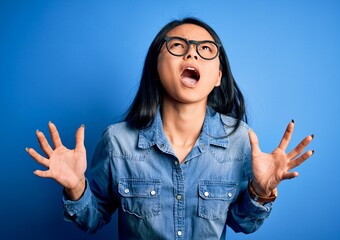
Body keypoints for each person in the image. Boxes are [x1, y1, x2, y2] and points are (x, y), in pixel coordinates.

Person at [26, 17, 314, 239]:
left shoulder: (239, 140)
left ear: (217, 77)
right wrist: (77, 188)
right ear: (155, 66)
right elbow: (93, 218)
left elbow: (242, 224)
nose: (192, 55)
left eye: (205, 49)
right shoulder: (118, 142)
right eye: (178, 46)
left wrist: (260, 193)